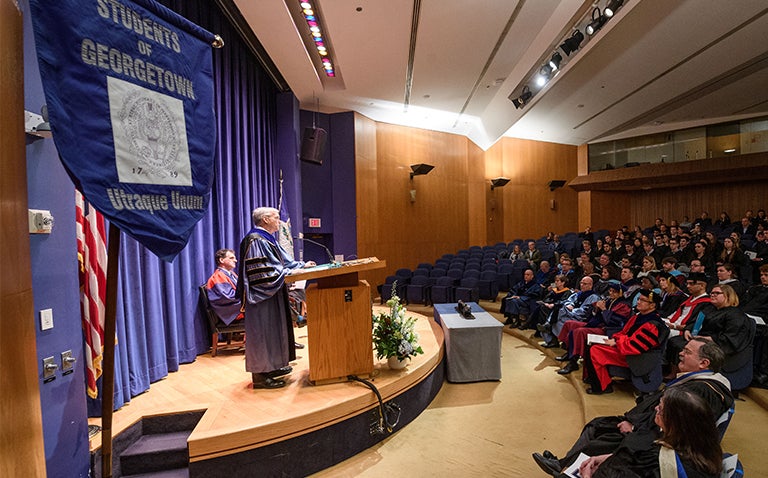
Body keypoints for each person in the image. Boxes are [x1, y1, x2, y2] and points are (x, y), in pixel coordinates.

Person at [533, 337, 733, 476]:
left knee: (600, 442)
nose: (680, 353)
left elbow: (681, 426)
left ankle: (568, 471)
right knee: (597, 425)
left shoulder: (704, 390)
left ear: (703, 363)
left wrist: (635, 427)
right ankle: (564, 464)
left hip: (657, 436)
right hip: (648, 425)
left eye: (687, 352)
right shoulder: (698, 381)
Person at [236, 207, 316, 389]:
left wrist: (301, 266)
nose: (279, 221)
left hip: (272, 294)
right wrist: (290, 271)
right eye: (276, 217)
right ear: (265, 219)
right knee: (263, 334)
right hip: (261, 296)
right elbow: (264, 272)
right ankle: (260, 377)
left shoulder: (267, 239)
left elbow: (283, 261)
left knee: (271, 333)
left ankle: (270, 368)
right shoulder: (255, 240)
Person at [577, 386, 725, 478]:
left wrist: (586, 476)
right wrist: (608, 457)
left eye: (660, 408)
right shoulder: (706, 450)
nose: (655, 409)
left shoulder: (656, 462)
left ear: (674, 422)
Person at [582, 289, 667, 394]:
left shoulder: (652, 324)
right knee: (592, 346)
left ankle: (601, 386)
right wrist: (615, 339)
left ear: (652, 305)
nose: (638, 302)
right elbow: (623, 332)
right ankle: (597, 379)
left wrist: (617, 342)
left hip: (639, 357)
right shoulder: (638, 317)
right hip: (626, 349)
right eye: (639, 299)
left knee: (595, 351)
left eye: (643, 300)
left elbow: (635, 347)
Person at [555, 281, 631, 375]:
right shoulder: (609, 300)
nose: (610, 293)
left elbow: (616, 322)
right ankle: (569, 352)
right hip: (597, 324)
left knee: (579, 332)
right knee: (569, 324)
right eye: (610, 291)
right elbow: (592, 311)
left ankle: (573, 361)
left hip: (608, 330)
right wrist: (596, 308)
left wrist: (603, 310)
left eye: (614, 291)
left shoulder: (624, 305)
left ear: (620, 293)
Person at [206, 248, 243, 325]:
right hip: (230, 312)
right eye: (231, 258)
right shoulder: (218, 276)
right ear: (221, 260)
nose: (235, 260)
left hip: (236, 308)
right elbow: (228, 297)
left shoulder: (231, 274)